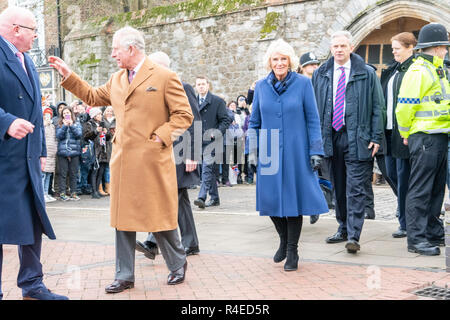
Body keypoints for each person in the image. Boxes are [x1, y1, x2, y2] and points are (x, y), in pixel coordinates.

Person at [49, 26, 193, 293]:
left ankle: (177, 263)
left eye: (116, 49)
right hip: (123, 160)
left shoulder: (164, 76)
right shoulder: (116, 79)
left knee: (158, 215)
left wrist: (160, 137)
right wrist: (69, 76)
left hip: (152, 159)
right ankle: (124, 275)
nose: (113, 54)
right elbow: (92, 96)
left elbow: (183, 115)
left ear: (131, 48)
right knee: (123, 218)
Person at [0, 6, 68, 300]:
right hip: (3, 159)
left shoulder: (26, 60)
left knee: (33, 220)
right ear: (16, 30)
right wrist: (6, 122)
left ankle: (32, 284)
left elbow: (37, 114)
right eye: (33, 31)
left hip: (27, 157)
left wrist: (40, 149)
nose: (36, 36)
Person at [249, 39, 328, 271]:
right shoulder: (261, 87)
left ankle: (292, 250)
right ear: (270, 62)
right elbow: (254, 123)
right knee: (270, 201)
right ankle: (283, 240)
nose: (280, 63)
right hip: (269, 150)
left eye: (284, 59)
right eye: (276, 59)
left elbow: (314, 120)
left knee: (293, 202)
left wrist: (316, 150)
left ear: (290, 61)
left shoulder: (303, 84)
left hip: (296, 150)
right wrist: (252, 151)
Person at [311, 31, 385, 254]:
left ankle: (354, 235)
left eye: (343, 45)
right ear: (331, 49)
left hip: (358, 137)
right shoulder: (321, 74)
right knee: (339, 187)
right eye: (335, 46)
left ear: (351, 47)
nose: (339, 50)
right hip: (331, 138)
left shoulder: (367, 73)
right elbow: (314, 109)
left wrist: (376, 137)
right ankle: (342, 227)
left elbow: (378, 107)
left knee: (355, 189)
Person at [136, 51, 202, 259]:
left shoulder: (183, 87)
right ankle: (189, 243)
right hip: (162, 151)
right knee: (176, 199)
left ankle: (153, 242)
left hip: (181, 152)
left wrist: (193, 154)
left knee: (168, 197)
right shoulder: (153, 89)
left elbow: (194, 121)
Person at [396, 23, 449, 256]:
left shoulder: (438, 70)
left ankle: (432, 233)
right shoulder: (419, 71)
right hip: (424, 138)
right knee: (421, 189)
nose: (447, 51)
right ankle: (416, 239)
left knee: (436, 190)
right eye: (445, 47)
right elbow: (404, 107)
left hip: (438, 137)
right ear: (436, 48)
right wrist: (406, 133)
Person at [380, 32, 417, 238]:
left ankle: (405, 222)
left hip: (403, 132)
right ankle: (405, 213)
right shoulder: (392, 70)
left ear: (410, 46)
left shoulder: (414, 69)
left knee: (404, 179)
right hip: (387, 132)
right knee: (391, 174)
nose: (393, 51)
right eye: (392, 47)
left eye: (397, 48)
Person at [193, 75, 231, 208]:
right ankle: (214, 198)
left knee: (206, 170)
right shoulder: (192, 101)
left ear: (208, 85)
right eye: (199, 84)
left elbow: (226, 120)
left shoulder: (217, 101)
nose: (201, 86)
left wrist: (217, 132)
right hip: (199, 141)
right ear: (196, 87)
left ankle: (201, 197)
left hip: (213, 142)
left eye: (203, 84)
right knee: (209, 171)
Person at [297, 51, 323, 225]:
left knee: (318, 172)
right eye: (310, 64)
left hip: (319, 131)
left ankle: (316, 205)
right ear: (302, 67)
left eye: (315, 64)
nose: (314, 67)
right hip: (301, 134)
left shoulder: (321, 81)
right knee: (306, 173)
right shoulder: (297, 83)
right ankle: (309, 207)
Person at [55, 106, 82, 201]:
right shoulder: (59, 124)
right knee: (62, 173)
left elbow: (79, 135)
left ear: (71, 113)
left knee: (73, 173)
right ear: (62, 115)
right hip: (62, 152)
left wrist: (72, 126)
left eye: (68, 112)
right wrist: (65, 126)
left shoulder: (76, 123)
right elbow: (58, 136)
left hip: (74, 152)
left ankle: (73, 192)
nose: (66, 114)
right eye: (64, 113)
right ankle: (62, 193)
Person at [83, 107, 111, 199]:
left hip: (103, 150)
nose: (100, 116)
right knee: (94, 171)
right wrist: (95, 131)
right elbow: (86, 136)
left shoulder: (102, 124)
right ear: (94, 116)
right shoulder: (89, 124)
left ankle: (98, 190)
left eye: (100, 114)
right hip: (95, 150)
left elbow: (107, 138)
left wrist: (106, 133)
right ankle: (93, 191)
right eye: (98, 114)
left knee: (101, 171)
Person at [42, 107, 57, 203]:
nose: (48, 117)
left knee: (48, 174)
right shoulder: (41, 125)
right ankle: (42, 194)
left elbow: (55, 139)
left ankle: (46, 193)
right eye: (46, 115)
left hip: (52, 153)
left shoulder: (52, 126)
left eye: (49, 115)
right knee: (42, 175)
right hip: (45, 152)